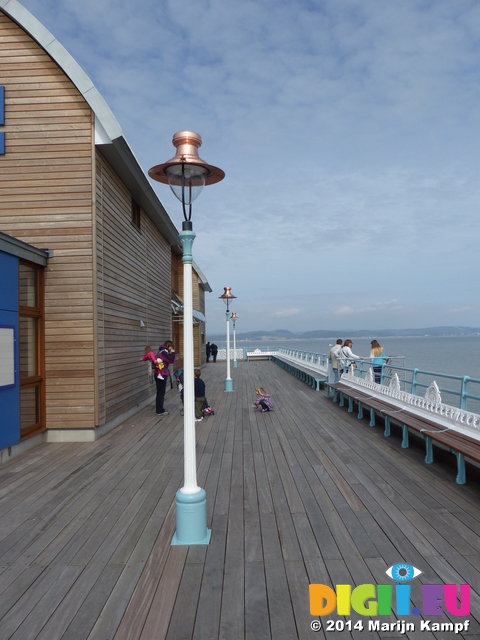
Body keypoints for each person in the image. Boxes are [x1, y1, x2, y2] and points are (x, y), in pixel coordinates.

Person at [155, 340, 175, 416]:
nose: (172, 349)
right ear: (169, 346)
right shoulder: (164, 352)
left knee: (159, 392)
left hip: (158, 373)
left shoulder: (160, 351)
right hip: (162, 374)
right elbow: (171, 360)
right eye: (171, 347)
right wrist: (172, 353)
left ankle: (159, 409)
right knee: (161, 392)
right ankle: (160, 410)